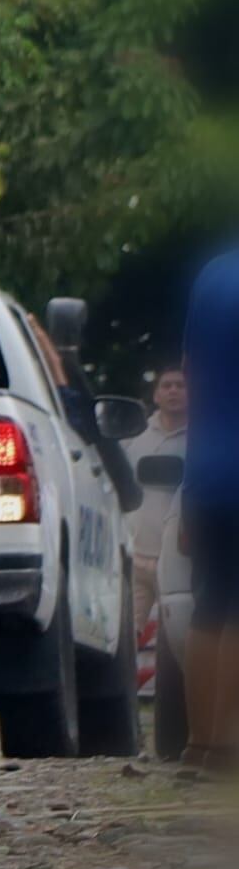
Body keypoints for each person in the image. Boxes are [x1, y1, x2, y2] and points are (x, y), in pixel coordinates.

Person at [180, 249, 239, 771]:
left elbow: (189, 374)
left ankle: (201, 740)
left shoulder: (212, 275)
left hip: (208, 468)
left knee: (209, 603)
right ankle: (226, 743)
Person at [123, 365, 188, 638]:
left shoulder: (202, 439)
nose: (173, 390)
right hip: (136, 558)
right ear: (156, 395)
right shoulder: (133, 439)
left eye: (180, 385)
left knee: (179, 638)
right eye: (166, 385)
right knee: (125, 638)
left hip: (179, 561)